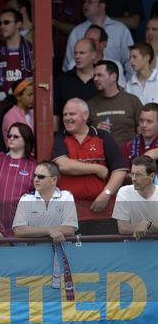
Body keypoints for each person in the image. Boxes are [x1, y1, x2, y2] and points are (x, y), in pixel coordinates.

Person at [52, 98, 128, 233]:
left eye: (72, 114)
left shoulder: (103, 136)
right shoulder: (60, 138)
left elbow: (119, 169)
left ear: (85, 115)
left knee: (104, 252)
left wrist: (106, 194)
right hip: (71, 213)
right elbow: (64, 166)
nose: (67, 118)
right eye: (65, 115)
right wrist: (97, 168)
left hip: (104, 211)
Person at [0, 9, 33, 154]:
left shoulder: (30, 51)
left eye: (6, 22)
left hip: (24, 109)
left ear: (18, 24)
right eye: (0, 23)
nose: (2, 26)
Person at [62, 0, 133, 75]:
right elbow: (68, 65)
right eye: (84, 2)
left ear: (102, 5)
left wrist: (128, 85)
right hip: (82, 84)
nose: (85, 4)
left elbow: (130, 61)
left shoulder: (121, 30)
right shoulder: (77, 31)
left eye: (90, 1)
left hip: (113, 83)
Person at [13, 161, 78, 242]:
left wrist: (37, 232)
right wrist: (48, 231)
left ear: (54, 180)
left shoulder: (66, 196)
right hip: (33, 251)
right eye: (34, 176)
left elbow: (69, 229)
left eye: (41, 177)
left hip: (61, 250)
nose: (36, 179)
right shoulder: (26, 198)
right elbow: (19, 230)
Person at [88, 60, 141, 147]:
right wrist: (95, 130)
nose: (95, 79)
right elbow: (81, 133)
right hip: (100, 157)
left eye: (99, 75)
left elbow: (143, 130)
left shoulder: (132, 101)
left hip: (129, 156)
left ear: (113, 77)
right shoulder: (90, 104)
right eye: (94, 76)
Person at [53, 38, 98, 131]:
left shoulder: (101, 79)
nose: (77, 56)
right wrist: (56, 138)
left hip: (97, 136)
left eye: (82, 53)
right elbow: (55, 114)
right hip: (68, 138)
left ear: (93, 55)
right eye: (75, 53)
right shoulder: (62, 80)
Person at [113, 155, 158, 238]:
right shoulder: (124, 192)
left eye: (138, 175)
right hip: (133, 245)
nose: (133, 179)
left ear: (151, 176)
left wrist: (148, 224)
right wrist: (146, 226)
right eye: (132, 174)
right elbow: (123, 228)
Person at [122, 103, 158, 168]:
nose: (144, 125)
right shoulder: (128, 147)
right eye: (141, 121)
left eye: (149, 121)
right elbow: (124, 174)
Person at [1, 78, 34, 146]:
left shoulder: (31, 113)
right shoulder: (10, 116)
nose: (33, 98)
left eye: (34, 95)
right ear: (18, 96)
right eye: (29, 95)